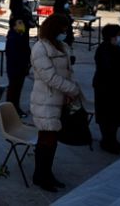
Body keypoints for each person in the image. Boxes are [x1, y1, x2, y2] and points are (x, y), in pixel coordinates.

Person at [30, 14, 82, 192]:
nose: (65, 32)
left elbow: (68, 71)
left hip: (59, 100)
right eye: (63, 28)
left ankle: (47, 173)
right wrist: (72, 89)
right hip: (45, 100)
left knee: (52, 141)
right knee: (46, 139)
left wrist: (70, 90)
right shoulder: (40, 48)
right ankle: (41, 176)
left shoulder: (63, 46)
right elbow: (49, 77)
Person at [93, 24, 120, 154]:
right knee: (107, 117)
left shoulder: (118, 48)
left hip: (117, 89)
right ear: (111, 37)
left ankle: (113, 141)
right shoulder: (104, 50)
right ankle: (107, 142)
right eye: (119, 35)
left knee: (116, 117)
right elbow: (110, 70)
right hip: (106, 89)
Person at [5, 17, 31, 117]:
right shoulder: (12, 37)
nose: (22, 24)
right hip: (15, 68)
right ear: (14, 26)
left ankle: (16, 108)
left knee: (17, 90)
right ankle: (10, 111)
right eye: (19, 22)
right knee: (13, 90)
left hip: (22, 68)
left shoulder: (21, 35)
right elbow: (14, 55)